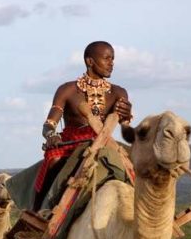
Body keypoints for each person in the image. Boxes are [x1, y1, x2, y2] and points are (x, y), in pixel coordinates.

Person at [34, 40, 133, 211]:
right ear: (90, 61)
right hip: (70, 144)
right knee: (54, 159)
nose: (112, 63)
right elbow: (49, 124)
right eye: (107, 58)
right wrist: (51, 135)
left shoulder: (119, 92)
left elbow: (127, 133)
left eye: (113, 59)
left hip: (104, 144)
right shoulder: (68, 90)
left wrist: (126, 118)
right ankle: (42, 210)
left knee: (132, 164)